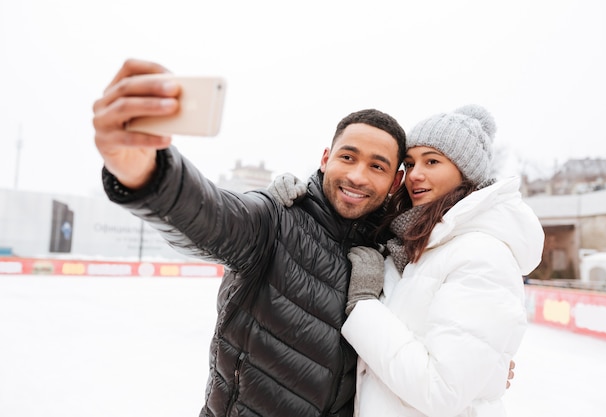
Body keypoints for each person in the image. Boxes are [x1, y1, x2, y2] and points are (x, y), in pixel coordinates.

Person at [91, 58, 407, 417]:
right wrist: (146, 172)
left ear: (395, 182)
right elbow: (211, 215)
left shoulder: (390, 255)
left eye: (377, 166)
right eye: (347, 157)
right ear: (325, 159)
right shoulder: (275, 219)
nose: (357, 176)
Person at [271, 105, 544, 416]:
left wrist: (363, 303)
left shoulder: (483, 256)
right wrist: (300, 202)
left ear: (465, 172)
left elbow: (441, 391)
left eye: (432, 161)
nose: (416, 174)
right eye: (411, 162)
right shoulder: (410, 243)